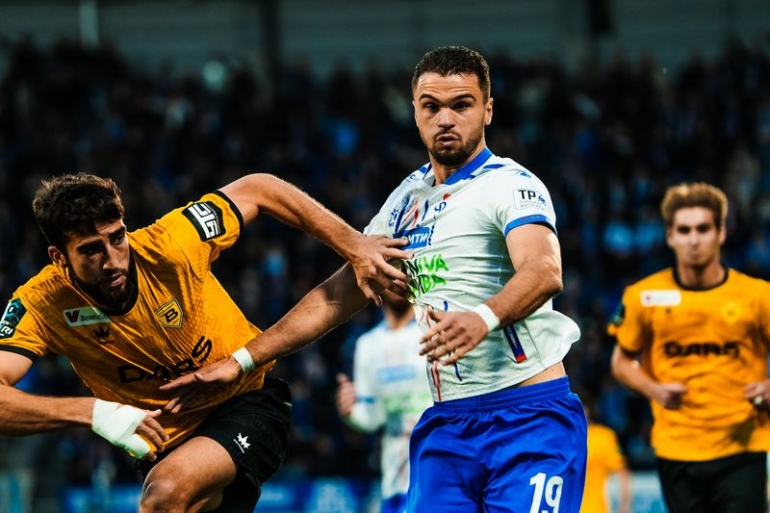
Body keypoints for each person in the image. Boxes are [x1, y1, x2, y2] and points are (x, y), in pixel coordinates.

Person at [163, 45, 587, 512]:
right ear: (415, 112)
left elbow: (544, 270)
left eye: (461, 105)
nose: (445, 119)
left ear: (487, 109)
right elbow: (336, 296)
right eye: (431, 106)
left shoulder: (511, 184)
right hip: (447, 424)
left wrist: (482, 318)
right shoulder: (406, 201)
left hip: (528, 416)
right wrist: (243, 360)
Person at [0, 172, 411, 512]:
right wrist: (93, 412)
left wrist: (353, 244)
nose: (112, 260)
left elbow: (259, 189)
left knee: (164, 494)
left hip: (246, 401)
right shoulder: (41, 304)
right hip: (164, 443)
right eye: (91, 250)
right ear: (58, 257)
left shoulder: (172, 244)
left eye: (117, 237)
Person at [608, 181, 770, 513]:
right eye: (684, 230)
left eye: (703, 229)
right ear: (670, 236)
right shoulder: (642, 297)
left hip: (743, 445)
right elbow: (621, 362)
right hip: (676, 447)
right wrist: (654, 390)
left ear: (721, 232)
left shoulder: (757, 296)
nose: (694, 240)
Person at [334, 293, 432, 513]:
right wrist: (350, 412)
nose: (396, 280)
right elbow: (372, 417)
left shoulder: (431, 329)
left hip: (438, 473)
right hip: (395, 482)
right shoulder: (368, 344)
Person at [580, 391, 631, 513]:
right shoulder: (559, 439)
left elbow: (622, 473)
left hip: (596, 509)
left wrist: (624, 506)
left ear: (588, 409)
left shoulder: (603, 437)